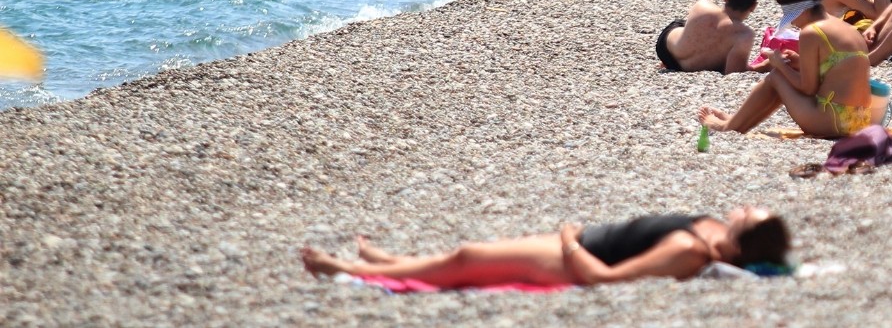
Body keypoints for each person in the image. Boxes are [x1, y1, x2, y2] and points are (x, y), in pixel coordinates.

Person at [300, 206, 790, 288]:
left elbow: (605, 279)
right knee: (471, 251)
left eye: (752, 215)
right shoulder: (708, 232)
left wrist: (567, 239)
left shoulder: (692, 251)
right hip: (581, 243)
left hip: (572, 259)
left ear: (741, 237)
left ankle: (349, 270)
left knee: (470, 261)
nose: (746, 206)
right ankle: (393, 262)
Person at [699, 0, 872, 138]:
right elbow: (837, 72)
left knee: (776, 76)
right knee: (785, 73)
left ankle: (730, 126)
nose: (794, 23)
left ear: (802, 10)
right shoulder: (845, 27)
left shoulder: (812, 32)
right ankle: (738, 120)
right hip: (859, 120)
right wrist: (797, 61)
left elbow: (808, 89)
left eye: (791, 17)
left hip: (833, 122)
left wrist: (779, 64)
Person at [656, 0, 761, 74]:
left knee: (694, 25)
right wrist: (764, 66)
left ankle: (668, 62)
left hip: (665, 49)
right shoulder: (745, 35)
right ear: (753, 6)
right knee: (725, 47)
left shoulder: (703, 5)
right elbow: (733, 72)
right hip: (691, 68)